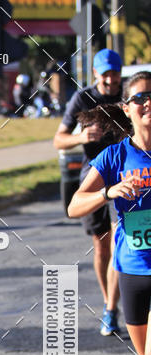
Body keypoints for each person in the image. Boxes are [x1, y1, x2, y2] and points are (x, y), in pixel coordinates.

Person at [68, 71, 151, 355]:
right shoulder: (116, 157)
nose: (148, 103)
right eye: (140, 98)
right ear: (126, 108)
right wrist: (110, 192)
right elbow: (74, 205)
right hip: (133, 273)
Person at [54, 48, 124, 335]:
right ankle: (109, 303)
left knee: (121, 240)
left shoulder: (128, 96)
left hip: (125, 174)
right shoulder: (83, 99)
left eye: (114, 73)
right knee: (102, 245)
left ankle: (111, 309)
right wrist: (81, 136)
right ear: (96, 73)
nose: (110, 79)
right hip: (94, 177)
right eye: (105, 74)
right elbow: (58, 140)